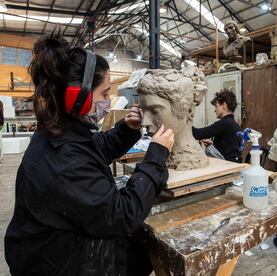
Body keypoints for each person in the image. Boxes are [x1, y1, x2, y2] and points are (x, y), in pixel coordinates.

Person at [4, 33, 174, 276]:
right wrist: (155, 157)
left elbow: (95, 148)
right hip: (52, 261)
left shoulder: (62, 129)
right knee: (142, 254)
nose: (108, 101)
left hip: (55, 241)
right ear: (77, 96)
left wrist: (127, 130)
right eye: (105, 94)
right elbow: (121, 214)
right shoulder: (62, 159)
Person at [137, 69, 209, 171]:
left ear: (188, 110)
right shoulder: (159, 155)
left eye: (154, 110)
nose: (144, 123)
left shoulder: (191, 159)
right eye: (143, 111)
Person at [192, 89, 241, 163]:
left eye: (216, 106)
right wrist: (213, 144)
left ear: (224, 105)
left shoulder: (224, 123)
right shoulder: (234, 124)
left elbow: (197, 134)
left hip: (228, 166)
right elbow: (229, 147)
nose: (215, 110)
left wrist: (184, 123)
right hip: (235, 163)